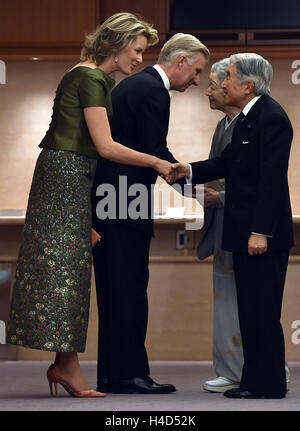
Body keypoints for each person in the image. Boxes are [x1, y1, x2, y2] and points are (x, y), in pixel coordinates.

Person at [6, 12, 176, 398]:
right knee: (68, 274)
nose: (139, 59)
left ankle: (65, 364)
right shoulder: (92, 78)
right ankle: (66, 366)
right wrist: (156, 161)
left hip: (67, 174)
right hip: (68, 174)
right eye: (136, 50)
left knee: (69, 271)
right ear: (115, 46)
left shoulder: (83, 74)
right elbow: (106, 147)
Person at [91, 33, 210, 394]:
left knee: (116, 292)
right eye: (197, 71)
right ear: (182, 62)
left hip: (113, 203)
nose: (196, 80)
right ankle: (130, 375)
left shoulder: (136, 86)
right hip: (124, 205)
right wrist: (197, 190)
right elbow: (155, 151)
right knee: (129, 290)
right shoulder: (151, 90)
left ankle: (113, 373)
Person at [175, 53, 294, 399]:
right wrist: (188, 170)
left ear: (248, 85)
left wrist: (261, 232)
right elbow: (226, 163)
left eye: (227, 77)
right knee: (250, 311)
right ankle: (254, 381)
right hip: (243, 234)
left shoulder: (272, 118)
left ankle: (267, 384)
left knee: (262, 311)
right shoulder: (245, 120)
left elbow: (271, 183)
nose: (223, 83)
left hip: (262, 236)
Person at [197, 58, 243, 393]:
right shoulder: (223, 126)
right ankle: (230, 369)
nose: (210, 91)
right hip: (224, 223)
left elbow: (260, 181)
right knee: (226, 298)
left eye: (215, 83)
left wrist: (221, 197)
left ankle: (259, 367)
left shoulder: (254, 124)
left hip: (243, 224)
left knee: (249, 300)